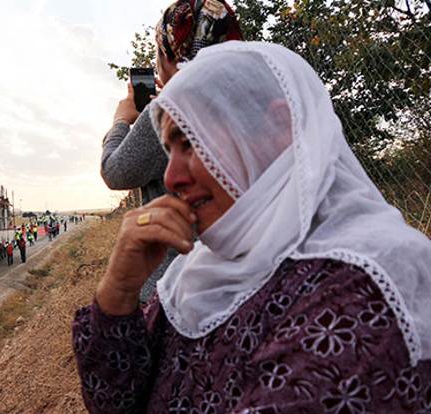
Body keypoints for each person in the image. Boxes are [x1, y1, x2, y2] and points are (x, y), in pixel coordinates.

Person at [72, 42, 431, 413]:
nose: (172, 177)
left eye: (191, 143)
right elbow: (112, 402)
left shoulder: (357, 297)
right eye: (169, 150)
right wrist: (117, 289)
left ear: (279, 127)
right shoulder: (197, 272)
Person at [102, 0, 242, 304]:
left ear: (170, 54)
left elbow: (116, 171)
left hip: (174, 285)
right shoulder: (244, 101)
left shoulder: (168, 111)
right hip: (237, 279)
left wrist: (121, 121)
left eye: (158, 50)